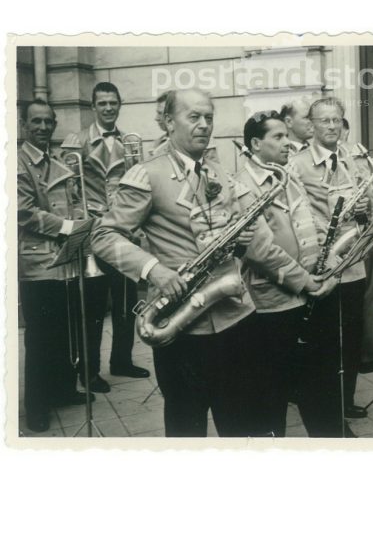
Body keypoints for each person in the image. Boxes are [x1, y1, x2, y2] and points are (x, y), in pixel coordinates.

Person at [91, 89, 323, 437]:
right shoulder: (147, 175)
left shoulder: (219, 174)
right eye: (194, 117)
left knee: (244, 425)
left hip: (235, 319)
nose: (204, 125)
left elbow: (259, 244)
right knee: (187, 430)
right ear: (169, 122)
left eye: (209, 118)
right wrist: (154, 269)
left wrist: (303, 279)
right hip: (184, 328)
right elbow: (103, 236)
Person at [235, 110, 337, 436]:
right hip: (272, 304)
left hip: (310, 295)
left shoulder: (289, 177)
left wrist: (330, 266)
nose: (287, 143)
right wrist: (306, 282)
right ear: (255, 143)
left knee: (319, 386)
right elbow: (261, 250)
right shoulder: (241, 186)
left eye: (286, 136)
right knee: (272, 393)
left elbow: (315, 228)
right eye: (278, 137)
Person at [62, 82, 150, 394]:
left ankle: (122, 360)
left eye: (114, 103)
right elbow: (70, 191)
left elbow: (140, 184)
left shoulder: (130, 141)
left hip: (124, 230)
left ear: (119, 105)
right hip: (96, 232)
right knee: (95, 307)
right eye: (103, 103)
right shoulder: (79, 141)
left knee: (127, 301)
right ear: (93, 107)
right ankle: (89, 371)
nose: (109, 108)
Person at [289, 97, 371, 427]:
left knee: (351, 336)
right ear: (310, 126)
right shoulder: (298, 164)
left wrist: (365, 209)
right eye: (324, 121)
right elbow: (298, 212)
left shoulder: (353, 159)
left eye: (337, 120)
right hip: (321, 264)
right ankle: (325, 406)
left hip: (352, 262)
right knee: (324, 341)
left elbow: (369, 209)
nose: (332, 126)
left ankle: (346, 399)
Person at [18, 100, 97, 432]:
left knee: (65, 332)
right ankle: (36, 405)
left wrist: (83, 217)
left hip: (63, 260)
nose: (43, 128)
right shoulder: (17, 163)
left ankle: (62, 389)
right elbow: (22, 211)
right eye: (36, 122)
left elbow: (71, 198)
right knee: (40, 337)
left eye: (48, 122)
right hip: (38, 262)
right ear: (23, 124)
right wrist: (66, 227)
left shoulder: (54, 161)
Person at [339, 119, 373, 374]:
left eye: (341, 126)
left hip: (363, 233)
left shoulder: (354, 155)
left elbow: (369, 196)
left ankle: (366, 353)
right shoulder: (341, 158)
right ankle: (357, 356)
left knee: (367, 295)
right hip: (347, 238)